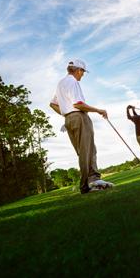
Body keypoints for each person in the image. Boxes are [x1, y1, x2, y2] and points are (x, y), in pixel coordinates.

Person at [50, 59, 114, 193]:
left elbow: (53, 104)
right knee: (88, 150)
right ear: (79, 70)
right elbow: (78, 104)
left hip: (69, 120)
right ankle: (90, 182)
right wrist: (99, 110)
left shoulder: (61, 83)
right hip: (79, 117)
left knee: (83, 151)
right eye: (83, 72)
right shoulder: (73, 82)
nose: (83, 75)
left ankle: (90, 182)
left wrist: (66, 114)